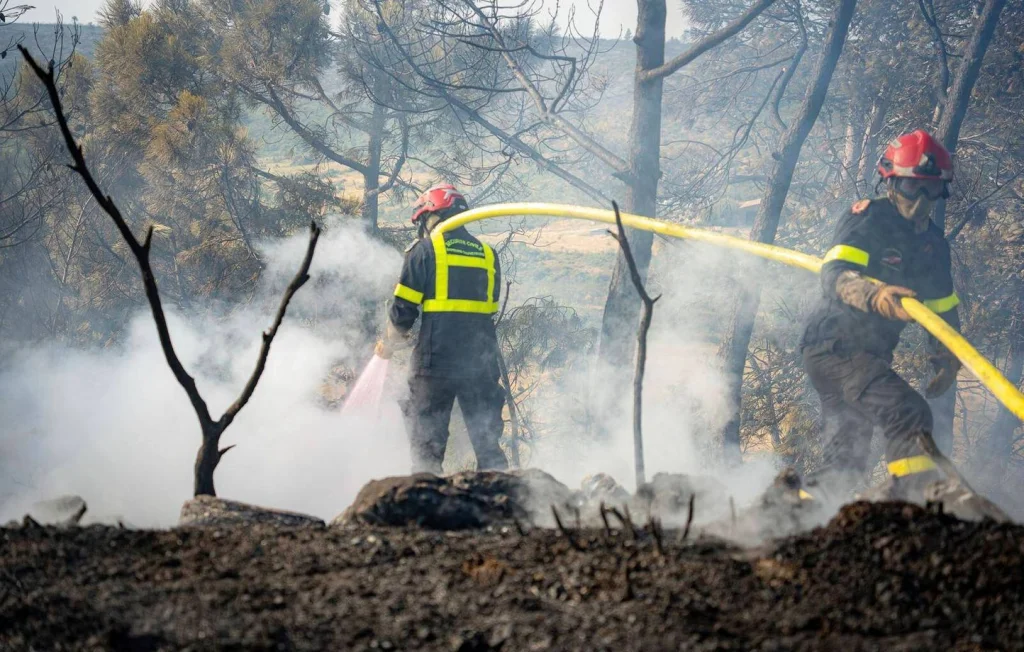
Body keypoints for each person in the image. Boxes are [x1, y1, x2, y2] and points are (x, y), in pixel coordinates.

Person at [800, 129, 962, 502]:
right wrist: (874, 296)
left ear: (941, 191)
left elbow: (942, 307)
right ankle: (907, 511)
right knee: (909, 413)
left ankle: (786, 518)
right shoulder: (868, 220)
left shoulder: (933, 246)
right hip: (835, 346)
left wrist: (946, 356)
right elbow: (835, 274)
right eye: (910, 187)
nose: (920, 201)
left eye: (930, 190)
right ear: (890, 182)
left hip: (865, 355)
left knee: (847, 462)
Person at [375, 183, 508, 474]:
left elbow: (403, 310)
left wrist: (389, 343)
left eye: (422, 221)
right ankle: (504, 506)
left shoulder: (424, 251)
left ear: (431, 217)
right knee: (488, 445)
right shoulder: (488, 254)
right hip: (481, 363)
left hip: (436, 362)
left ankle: (427, 507)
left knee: (427, 447)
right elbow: (489, 308)